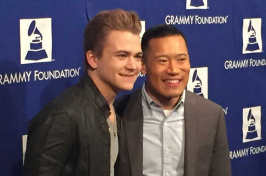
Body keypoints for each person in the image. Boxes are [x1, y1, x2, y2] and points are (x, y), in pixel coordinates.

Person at [23, 9, 142, 176]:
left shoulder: (116, 111)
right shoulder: (63, 116)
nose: (133, 66)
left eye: (137, 56)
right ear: (93, 59)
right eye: (122, 55)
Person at [115, 24, 231, 176]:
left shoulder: (212, 115)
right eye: (162, 61)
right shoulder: (118, 112)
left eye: (181, 59)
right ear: (143, 65)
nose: (174, 70)